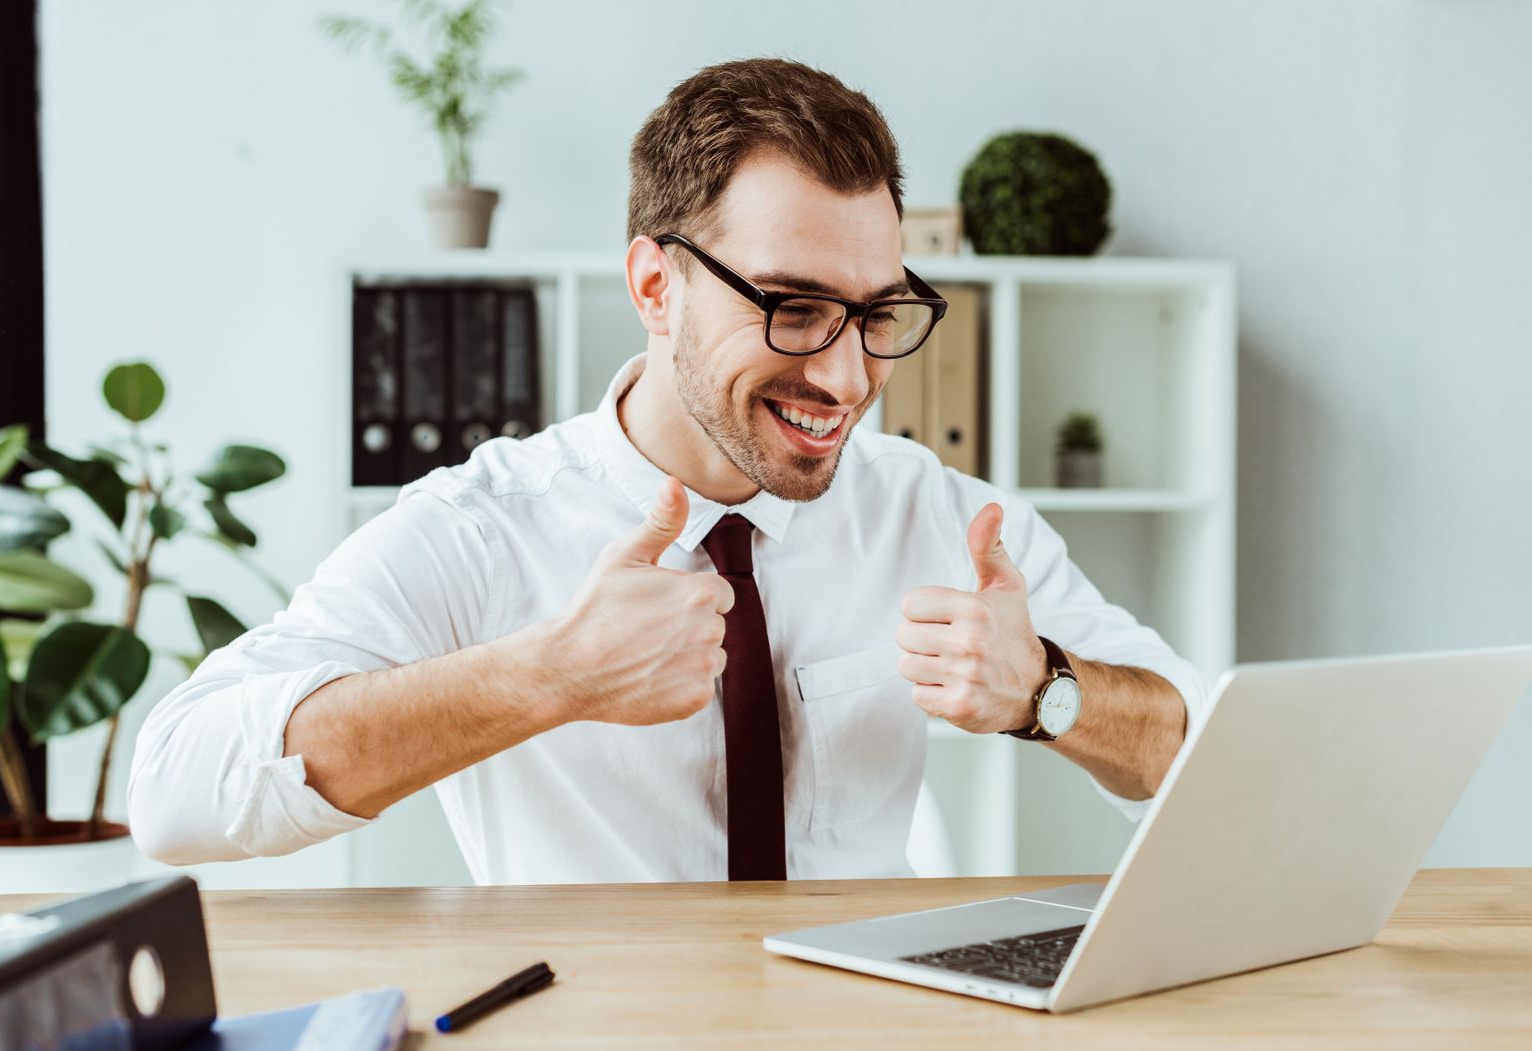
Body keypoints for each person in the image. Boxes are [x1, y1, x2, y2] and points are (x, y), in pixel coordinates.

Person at [129, 58, 1204, 884]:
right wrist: (542, 677)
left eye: (876, 314)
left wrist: (1048, 692)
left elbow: (1212, 766)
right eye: (792, 307)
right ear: (655, 285)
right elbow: (173, 791)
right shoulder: (483, 524)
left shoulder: (944, 514)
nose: (843, 374)